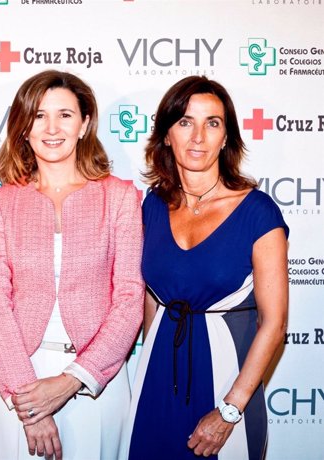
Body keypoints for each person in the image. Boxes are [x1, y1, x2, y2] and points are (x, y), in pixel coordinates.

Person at [119, 76, 289, 460]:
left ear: (226, 137)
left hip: (228, 383)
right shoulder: (153, 206)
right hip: (157, 378)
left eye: (212, 123)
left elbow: (275, 323)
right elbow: (151, 300)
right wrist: (148, 368)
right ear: (166, 135)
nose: (198, 136)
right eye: (184, 122)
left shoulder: (258, 213)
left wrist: (230, 410)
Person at [0, 70, 145, 460]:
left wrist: (73, 380)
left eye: (65, 115)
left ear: (85, 123)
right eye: (38, 116)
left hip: (94, 384)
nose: (52, 128)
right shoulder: (4, 202)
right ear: (23, 127)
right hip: (16, 386)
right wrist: (30, 403)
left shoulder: (119, 197)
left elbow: (129, 299)